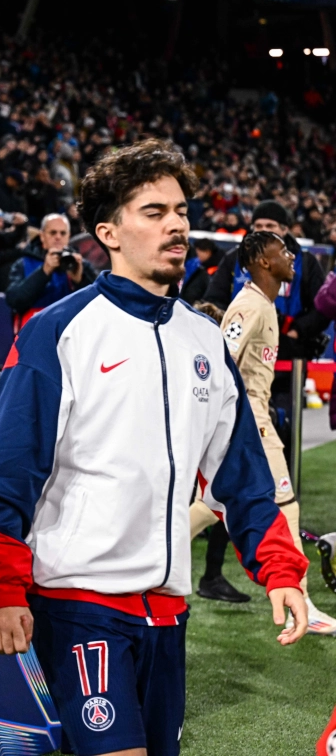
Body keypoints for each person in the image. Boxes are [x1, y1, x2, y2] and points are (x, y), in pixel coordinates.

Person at [0, 140, 309, 756]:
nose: (176, 223)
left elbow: (243, 479)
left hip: (168, 612)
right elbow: (6, 476)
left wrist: (280, 569)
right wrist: (1, 588)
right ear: (109, 231)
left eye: (179, 210)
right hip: (78, 604)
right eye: (153, 211)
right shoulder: (56, 333)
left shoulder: (204, 341)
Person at [199, 232, 336, 634]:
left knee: (210, 507)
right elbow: (220, 365)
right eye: (282, 250)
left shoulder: (265, 304)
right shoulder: (248, 307)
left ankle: (153, 555)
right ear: (261, 260)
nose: (292, 255)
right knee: (286, 505)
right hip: (251, 422)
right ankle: (303, 604)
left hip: (256, 418)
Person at [203, 200, 328, 360]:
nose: (263, 231)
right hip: (240, 349)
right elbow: (213, 300)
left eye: (270, 226)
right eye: (258, 226)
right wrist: (235, 325)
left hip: (289, 353)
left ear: (284, 229)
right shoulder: (234, 259)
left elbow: (320, 308)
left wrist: (296, 332)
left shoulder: (305, 262)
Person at [5, 213, 96, 329]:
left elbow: (98, 304)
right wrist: (44, 271)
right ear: (42, 236)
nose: (58, 237)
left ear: (69, 237)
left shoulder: (80, 264)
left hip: (71, 336)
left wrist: (80, 281)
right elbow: (14, 300)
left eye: (63, 233)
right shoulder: (23, 263)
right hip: (33, 336)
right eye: (53, 233)